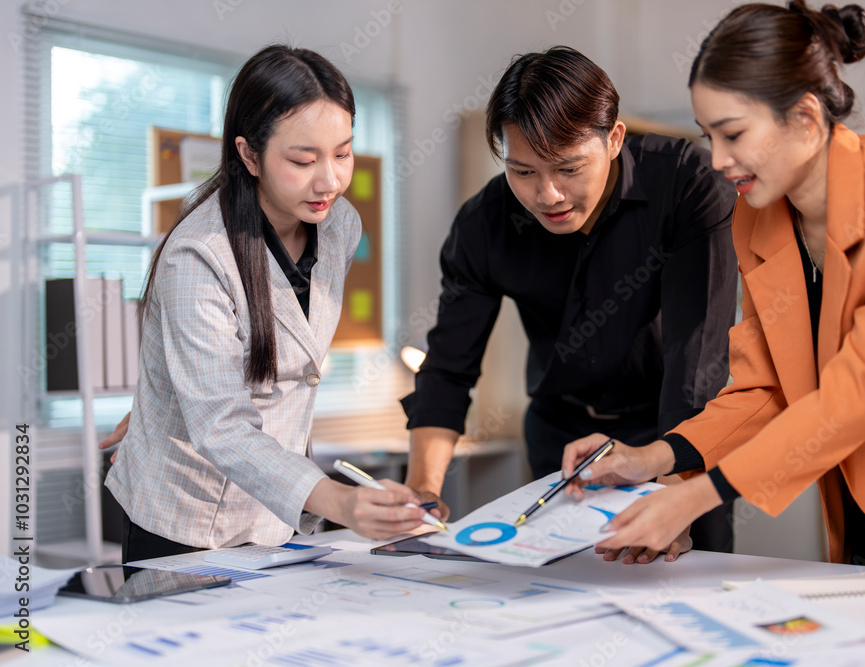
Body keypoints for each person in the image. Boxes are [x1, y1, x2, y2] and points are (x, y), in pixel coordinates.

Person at [563, 1, 865, 578]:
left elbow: (862, 388)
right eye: (708, 136)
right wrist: (652, 459)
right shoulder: (759, 217)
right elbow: (767, 387)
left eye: (734, 134)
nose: (718, 160)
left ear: (806, 118)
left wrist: (695, 498)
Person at [400, 46, 739, 563]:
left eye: (568, 168)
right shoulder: (486, 224)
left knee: (683, 581)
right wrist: (423, 491)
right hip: (562, 441)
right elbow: (448, 369)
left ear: (614, 138)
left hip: (673, 433)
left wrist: (674, 494)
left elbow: (698, 363)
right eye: (523, 172)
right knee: (559, 593)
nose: (549, 195)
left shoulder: (687, 184)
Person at [104, 45, 429, 562]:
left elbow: (288, 347)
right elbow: (223, 427)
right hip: (187, 520)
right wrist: (342, 502)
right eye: (303, 160)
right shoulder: (198, 256)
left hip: (277, 515)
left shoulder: (340, 224)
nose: (330, 181)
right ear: (249, 154)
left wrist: (174, 388)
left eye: (342, 153)